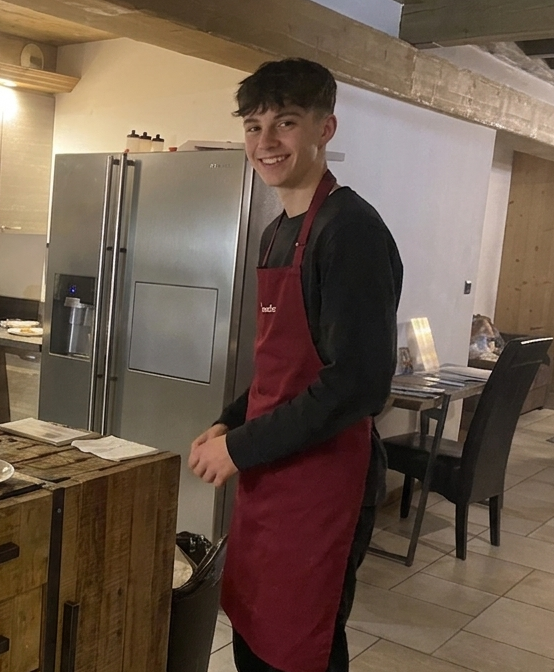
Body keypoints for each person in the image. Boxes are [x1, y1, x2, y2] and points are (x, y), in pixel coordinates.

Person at [188, 58, 402, 672]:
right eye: (254, 127)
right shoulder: (278, 231)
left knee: (302, 650)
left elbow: (357, 384)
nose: (266, 143)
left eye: (285, 123)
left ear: (325, 128)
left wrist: (243, 447)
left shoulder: (349, 231)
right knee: (258, 639)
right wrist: (232, 422)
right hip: (272, 472)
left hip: (323, 480)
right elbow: (282, 363)